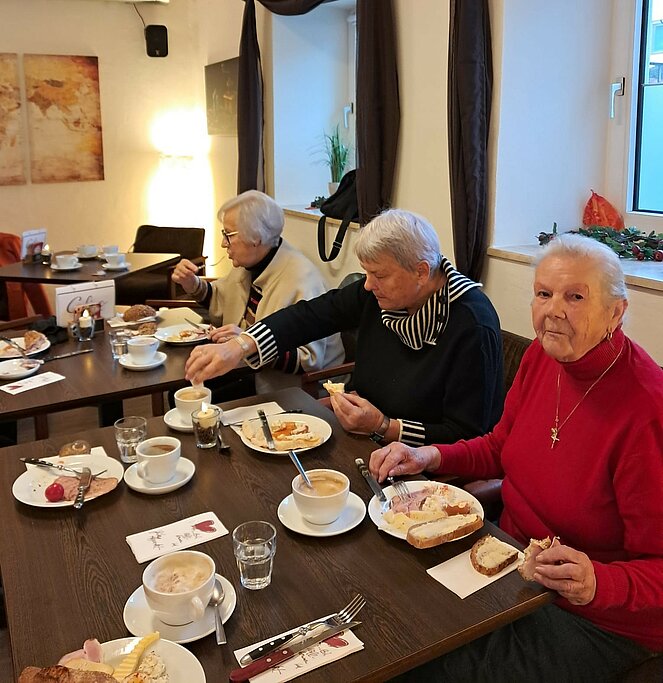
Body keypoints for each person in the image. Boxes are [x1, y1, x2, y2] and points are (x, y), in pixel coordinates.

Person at [370, 233, 663, 681]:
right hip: (510, 561)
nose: (554, 311)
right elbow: (499, 447)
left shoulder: (646, 410)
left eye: (575, 297)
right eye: (543, 294)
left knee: (429, 668)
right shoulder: (542, 357)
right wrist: (427, 455)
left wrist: (597, 582)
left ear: (616, 311)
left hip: (596, 616)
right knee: (394, 619)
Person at [185, 209, 504, 446]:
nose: (368, 285)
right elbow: (311, 315)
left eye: (379, 275)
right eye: (367, 273)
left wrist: (384, 426)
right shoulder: (379, 293)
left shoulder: (472, 326)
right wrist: (240, 345)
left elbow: (469, 436)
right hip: (361, 438)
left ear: (421, 272)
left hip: (417, 466)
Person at [172, 190, 344, 394]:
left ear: (255, 238)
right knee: (183, 387)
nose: (223, 243)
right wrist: (193, 284)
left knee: (195, 394)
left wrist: (249, 342)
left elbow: (308, 361)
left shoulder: (301, 279)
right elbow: (221, 300)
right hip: (249, 368)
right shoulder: (252, 263)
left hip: (297, 387)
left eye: (228, 235)